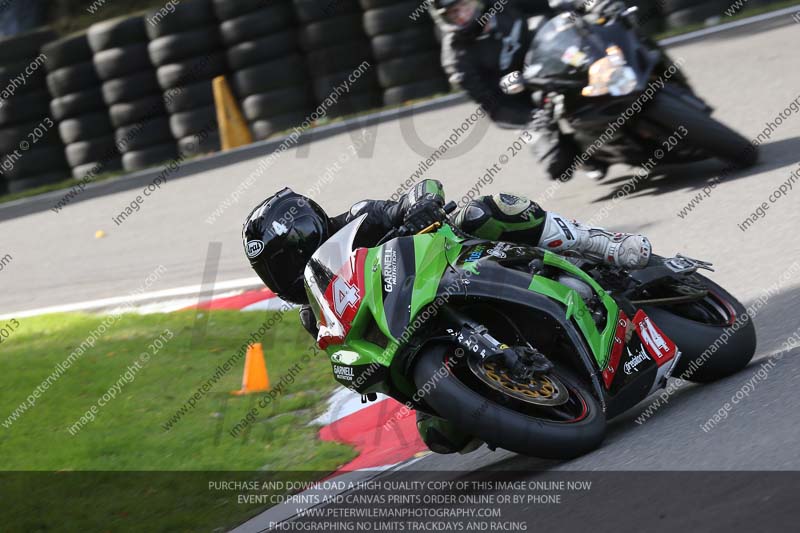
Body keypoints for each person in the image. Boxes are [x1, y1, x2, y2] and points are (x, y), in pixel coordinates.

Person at [242, 179, 652, 454]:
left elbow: (421, 190)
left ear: (304, 228)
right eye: (273, 271)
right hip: (412, 331)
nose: (284, 273)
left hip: (458, 264)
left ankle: (600, 244)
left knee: (486, 211)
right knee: (440, 435)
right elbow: (348, 353)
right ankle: (516, 399)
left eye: (284, 258)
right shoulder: (312, 313)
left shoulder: (359, 217)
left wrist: (422, 206)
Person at [433, 0, 610, 180]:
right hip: (519, 98)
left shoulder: (504, 5)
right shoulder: (456, 55)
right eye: (453, 14)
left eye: (464, 7)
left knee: (595, 58)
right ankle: (584, 156)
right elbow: (491, 105)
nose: (461, 16)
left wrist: (584, 5)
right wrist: (529, 118)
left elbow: (550, 4)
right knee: (557, 164)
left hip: (552, 61)